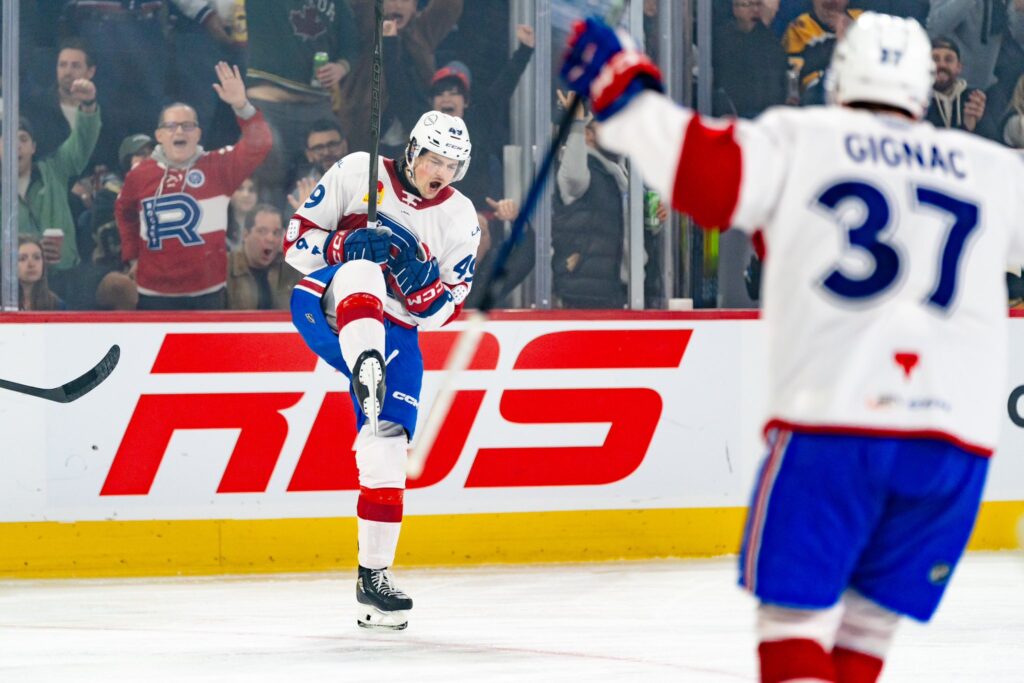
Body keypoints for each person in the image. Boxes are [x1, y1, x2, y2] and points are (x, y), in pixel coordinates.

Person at [562, 11, 1023, 683]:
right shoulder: (992, 168)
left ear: (837, 77)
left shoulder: (804, 139)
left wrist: (621, 85)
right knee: (866, 630)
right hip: (954, 443)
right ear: (923, 90)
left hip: (838, 420)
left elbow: (700, 173)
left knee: (794, 625)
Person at [285, 110, 477, 630]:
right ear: (413, 150)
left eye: (453, 165)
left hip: (396, 330)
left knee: (386, 454)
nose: (441, 171)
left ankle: (373, 581)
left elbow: (443, 312)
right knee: (365, 268)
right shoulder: (355, 172)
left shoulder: (460, 218)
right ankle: (365, 362)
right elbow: (294, 243)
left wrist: (422, 285)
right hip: (328, 300)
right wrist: (340, 245)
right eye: (434, 159)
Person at [116, 62, 272, 311]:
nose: (180, 131)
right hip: (153, 293)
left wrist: (242, 106)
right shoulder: (140, 174)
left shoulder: (218, 167)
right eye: (172, 126)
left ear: (198, 134)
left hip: (207, 293)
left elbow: (260, 144)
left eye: (188, 126)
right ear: (159, 135)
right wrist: (132, 255)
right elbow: (124, 211)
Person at [226, 204, 301, 310]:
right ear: (245, 235)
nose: (271, 239)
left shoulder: (289, 267)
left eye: (276, 233)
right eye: (262, 231)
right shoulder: (226, 267)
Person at [926, 37, 990, 135]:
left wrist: (978, 123)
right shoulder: (917, 100)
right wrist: (966, 127)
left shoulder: (972, 99)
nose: (942, 65)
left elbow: (993, 142)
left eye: (948, 60)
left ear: (959, 67)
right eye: (935, 59)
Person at [17, 236, 64, 311]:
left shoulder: (56, 304)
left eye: (37, 257)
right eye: (22, 259)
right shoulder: (3, 302)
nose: (31, 264)